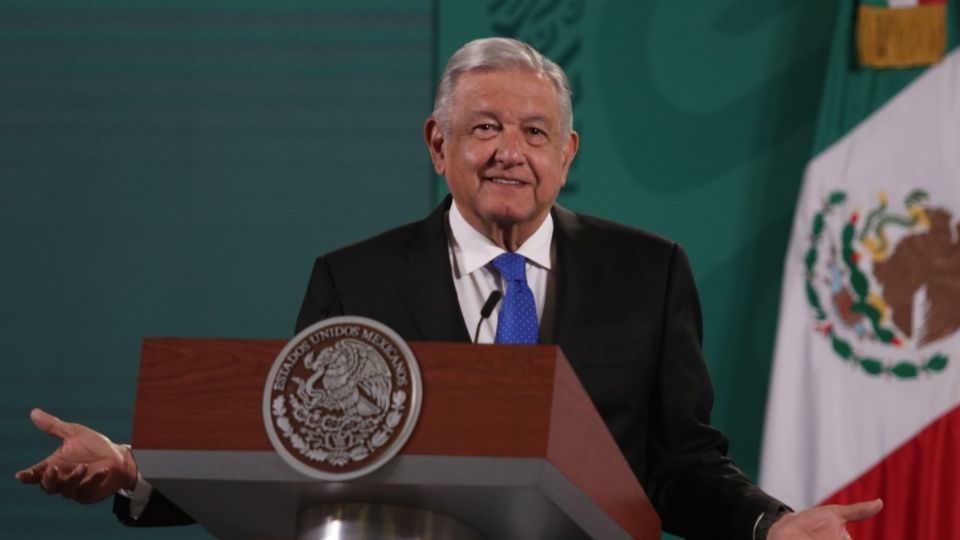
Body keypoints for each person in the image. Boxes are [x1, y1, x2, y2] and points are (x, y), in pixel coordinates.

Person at [17, 37, 882, 539]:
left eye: (536, 131)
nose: (512, 150)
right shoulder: (352, 278)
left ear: (569, 155)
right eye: (485, 128)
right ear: (438, 143)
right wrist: (135, 471)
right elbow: (296, 449)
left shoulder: (648, 274)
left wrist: (770, 527)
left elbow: (682, 464)